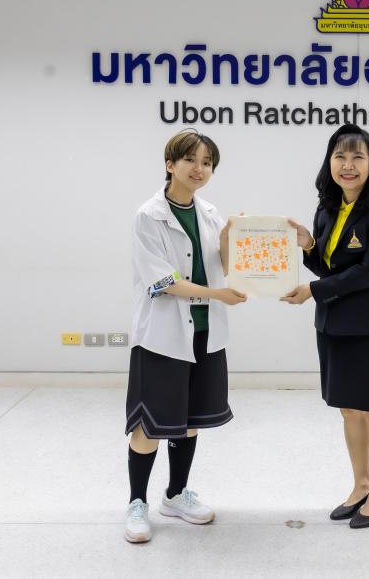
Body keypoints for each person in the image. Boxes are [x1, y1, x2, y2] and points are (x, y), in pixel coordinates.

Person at [123, 129, 247, 543]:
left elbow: (220, 267)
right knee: (150, 424)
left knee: (191, 420)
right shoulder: (148, 216)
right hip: (162, 336)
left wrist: (227, 240)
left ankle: (176, 495)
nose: (199, 169)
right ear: (170, 164)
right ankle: (136, 503)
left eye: (207, 163)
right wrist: (218, 295)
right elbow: (162, 282)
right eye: (191, 160)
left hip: (204, 333)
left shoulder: (209, 213)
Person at [282, 124, 369, 529]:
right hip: (335, 326)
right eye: (340, 157)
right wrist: (308, 246)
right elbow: (329, 267)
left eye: (357, 157)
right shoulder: (327, 209)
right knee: (349, 411)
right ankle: (361, 484)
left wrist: (314, 291)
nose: (348, 165)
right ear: (330, 163)